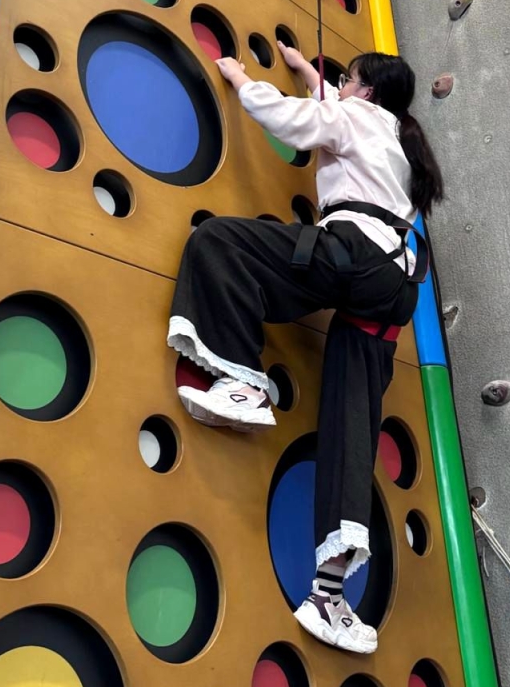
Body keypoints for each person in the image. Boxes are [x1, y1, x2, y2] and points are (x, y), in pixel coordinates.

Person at [167, 42, 443, 654]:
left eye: (348, 80)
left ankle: (243, 382)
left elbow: (298, 120)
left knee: (220, 244)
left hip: (354, 254)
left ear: (365, 91)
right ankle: (329, 598)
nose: (339, 88)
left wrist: (242, 79)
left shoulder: (357, 116)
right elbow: (336, 113)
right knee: (352, 425)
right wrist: (306, 72)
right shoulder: (399, 140)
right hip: (395, 286)